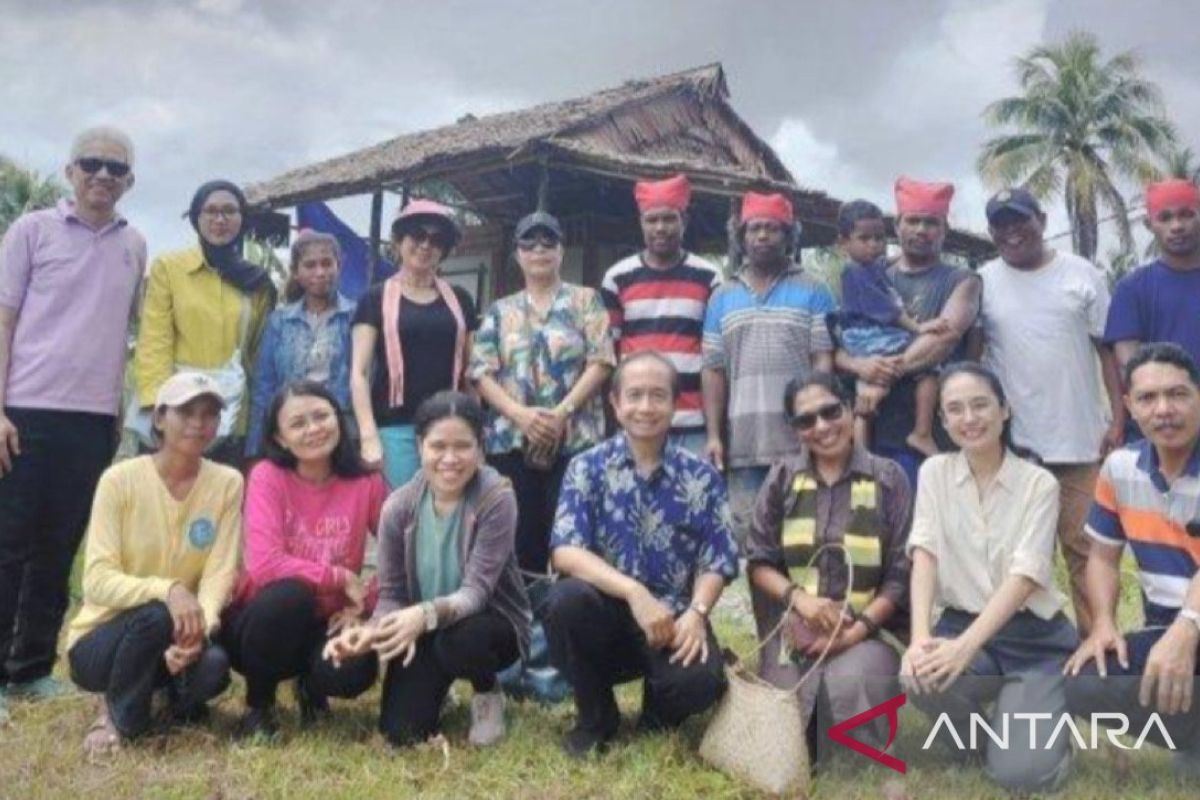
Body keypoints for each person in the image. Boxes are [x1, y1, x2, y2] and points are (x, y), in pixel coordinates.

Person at [0, 126, 146, 721]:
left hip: (92, 420)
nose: (103, 176)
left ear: (129, 182)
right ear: (70, 171)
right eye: (92, 164)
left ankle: (31, 669)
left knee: (60, 546)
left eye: (116, 169)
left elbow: (130, 336)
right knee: (7, 544)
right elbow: (4, 321)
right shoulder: (31, 231)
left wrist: (116, 410)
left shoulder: (135, 244)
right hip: (24, 412)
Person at [546, 351, 739, 757]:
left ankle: (658, 710)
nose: (646, 407)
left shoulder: (701, 476)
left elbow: (717, 560)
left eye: (658, 396)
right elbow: (565, 550)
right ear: (615, 405)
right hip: (605, 614)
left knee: (700, 683)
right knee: (565, 602)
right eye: (634, 395)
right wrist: (634, 592)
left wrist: (697, 614)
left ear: (676, 404)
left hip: (672, 621)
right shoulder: (586, 468)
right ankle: (597, 717)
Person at [901, 363, 1076, 793]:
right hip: (961, 621)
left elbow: (1026, 577)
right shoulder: (934, 473)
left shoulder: (1039, 484)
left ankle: (1046, 736)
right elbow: (924, 553)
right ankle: (979, 741)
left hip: (1032, 639)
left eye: (980, 405)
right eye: (955, 409)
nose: (969, 418)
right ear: (942, 420)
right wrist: (920, 641)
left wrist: (965, 647)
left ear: (1005, 410)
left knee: (1023, 776)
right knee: (924, 674)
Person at [324, 391, 531, 748]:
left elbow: (477, 593)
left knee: (461, 640)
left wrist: (422, 615)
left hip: (488, 624)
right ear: (420, 445)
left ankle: (487, 691)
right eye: (438, 446)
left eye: (462, 446)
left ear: (481, 447)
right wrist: (370, 633)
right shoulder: (399, 506)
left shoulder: (496, 497)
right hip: (424, 629)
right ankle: (439, 687)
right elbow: (392, 596)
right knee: (401, 734)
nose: (449, 459)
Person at [970, 187, 1123, 636]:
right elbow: (975, 363)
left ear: (1041, 218)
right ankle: (1033, 656)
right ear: (990, 232)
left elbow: (1107, 353)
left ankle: (1098, 654)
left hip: (1080, 445)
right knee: (1017, 562)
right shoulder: (983, 281)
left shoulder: (1083, 274)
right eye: (1001, 224)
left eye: (1021, 220)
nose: (1012, 232)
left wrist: (1117, 419)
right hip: (1013, 452)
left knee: (1087, 554)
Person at [66, 372, 242, 757]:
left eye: (210, 413)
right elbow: (96, 580)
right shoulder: (119, 480)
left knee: (213, 670)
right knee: (156, 613)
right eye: (186, 412)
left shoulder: (228, 482)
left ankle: (157, 689)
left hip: (178, 629)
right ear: (160, 418)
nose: (198, 423)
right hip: (101, 641)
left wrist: (201, 629)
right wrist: (168, 589)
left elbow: (218, 571)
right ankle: (118, 717)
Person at [746, 371, 911, 760]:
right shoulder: (783, 477)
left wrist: (854, 633)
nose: (821, 427)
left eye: (830, 411)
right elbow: (758, 560)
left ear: (851, 410)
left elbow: (901, 575)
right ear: (794, 429)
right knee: (786, 735)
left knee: (848, 689)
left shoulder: (888, 478)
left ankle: (851, 725)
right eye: (806, 420)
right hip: (794, 635)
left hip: (865, 634)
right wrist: (801, 601)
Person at [222, 381, 386, 739]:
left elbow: (398, 555)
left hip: (327, 622)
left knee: (353, 672)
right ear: (280, 438)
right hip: (262, 624)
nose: (314, 429)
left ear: (338, 420)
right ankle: (258, 707)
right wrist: (339, 577)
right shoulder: (267, 476)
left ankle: (313, 687)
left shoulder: (366, 482)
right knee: (290, 594)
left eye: (321, 416)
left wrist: (365, 606)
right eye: (298, 423)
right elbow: (265, 565)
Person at [1065, 343, 1200, 775]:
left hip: (1188, 623)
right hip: (1166, 628)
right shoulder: (1119, 469)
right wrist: (1103, 622)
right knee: (1084, 681)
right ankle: (1193, 739)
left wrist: (1187, 628)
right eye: (1147, 398)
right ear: (1129, 406)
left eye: (1178, 394)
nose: (1164, 409)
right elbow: (1102, 557)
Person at [470, 211, 615, 576]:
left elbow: (602, 360)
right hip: (512, 442)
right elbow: (480, 372)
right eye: (529, 243)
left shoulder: (587, 301)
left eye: (548, 241)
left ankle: (567, 625)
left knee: (575, 539)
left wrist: (560, 413)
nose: (539, 250)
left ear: (561, 251)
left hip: (575, 440)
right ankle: (523, 627)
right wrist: (522, 415)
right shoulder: (499, 311)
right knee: (520, 542)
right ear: (517, 254)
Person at [703, 191, 836, 543]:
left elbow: (823, 360)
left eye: (773, 229)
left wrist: (820, 426)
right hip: (742, 447)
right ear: (742, 237)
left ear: (789, 235)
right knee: (755, 550)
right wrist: (715, 436)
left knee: (806, 542)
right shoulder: (721, 297)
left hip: (801, 443)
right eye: (754, 229)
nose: (762, 236)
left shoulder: (814, 289)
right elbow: (713, 371)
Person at [836, 177, 981, 489]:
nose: (921, 230)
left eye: (931, 222)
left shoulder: (962, 280)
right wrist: (861, 367)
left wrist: (881, 377)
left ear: (945, 229)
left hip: (936, 436)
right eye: (913, 220)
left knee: (933, 530)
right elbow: (841, 339)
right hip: (877, 427)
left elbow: (943, 339)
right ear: (898, 225)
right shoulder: (869, 274)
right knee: (877, 527)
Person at [133, 180, 277, 467]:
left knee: (220, 502)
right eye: (210, 211)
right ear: (196, 218)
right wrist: (158, 409)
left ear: (242, 218)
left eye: (229, 211)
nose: (219, 219)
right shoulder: (169, 268)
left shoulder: (258, 283)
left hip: (231, 415)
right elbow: (155, 341)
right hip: (176, 413)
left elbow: (258, 355)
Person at [351, 200, 477, 489]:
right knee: (402, 512)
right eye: (417, 235)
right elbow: (359, 373)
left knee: (449, 510)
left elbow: (472, 371)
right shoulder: (374, 298)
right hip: (395, 428)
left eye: (436, 239)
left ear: (444, 249)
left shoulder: (461, 299)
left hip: (451, 425)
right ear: (399, 241)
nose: (425, 245)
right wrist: (369, 435)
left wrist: (476, 428)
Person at [600, 174, 723, 455]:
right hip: (636, 422)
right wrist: (613, 422)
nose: (660, 228)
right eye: (651, 220)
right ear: (641, 223)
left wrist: (714, 432)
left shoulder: (709, 277)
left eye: (669, 219)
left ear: (684, 221)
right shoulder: (617, 278)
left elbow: (714, 358)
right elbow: (609, 357)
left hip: (692, 424)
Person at [834, 199, 947, 456]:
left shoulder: (869, 268)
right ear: (843, 243)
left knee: (869, 395)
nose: (874, 245)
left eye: (878, 238)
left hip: (864, 338)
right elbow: (887, 310)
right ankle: (922, 432)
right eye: (864, 238)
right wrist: (918, 327)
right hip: (872, 337)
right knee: (929, 368)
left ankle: (861, 455)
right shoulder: (856, 272)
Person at [246, 230, 356, 457]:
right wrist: (256, 450)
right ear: (296, 272)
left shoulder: (355, 317)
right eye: (310, 265)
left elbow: (364, 379)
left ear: (339, 265)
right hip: (292, 431)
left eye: (327, 263)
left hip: (341, 431)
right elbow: (264, 388)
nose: (320, 272)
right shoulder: (280, 321)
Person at [1104, 179, 1200, 438]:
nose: (1177, 226)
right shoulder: (1132, 289)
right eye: (1165, 218)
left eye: (1187, 215)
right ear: (1150, 225)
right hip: (1165, 430)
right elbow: (1131, 367)